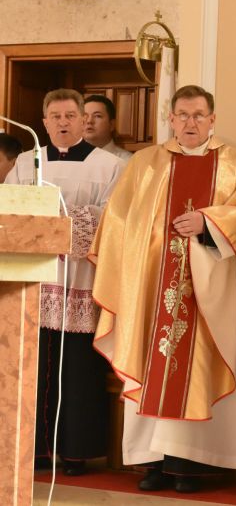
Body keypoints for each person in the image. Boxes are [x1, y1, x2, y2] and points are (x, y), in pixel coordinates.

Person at [89, 84, 236, 493]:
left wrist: (208, 223)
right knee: (154, 364)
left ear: (212, 119)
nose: (190, 122)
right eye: (182, 115)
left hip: (210, 290)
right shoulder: (146, 163)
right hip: (154, 286)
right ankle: (154, 463)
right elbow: (121, 221)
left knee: (199, 366)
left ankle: (191, 465)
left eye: (198, 115)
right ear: (170, 119)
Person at [5, 88, 125, 475]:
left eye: (70, 116)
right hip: (35, 280)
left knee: (77, 369)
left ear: (82, 120)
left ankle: (75, 452)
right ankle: (35, 449)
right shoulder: (26, 162)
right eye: (55, 116)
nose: (63, 122)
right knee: (33, 365)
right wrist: (45, 224)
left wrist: (64, 222)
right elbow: (12, 210)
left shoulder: (108, 165)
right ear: (44, 122)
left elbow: (112, 217)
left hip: (81, 278)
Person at [84, 94, 133, 162]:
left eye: (97, 116)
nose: (89, 121)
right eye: (84, 116)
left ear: (112, 124)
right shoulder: (69, 159)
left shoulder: (127, 161)